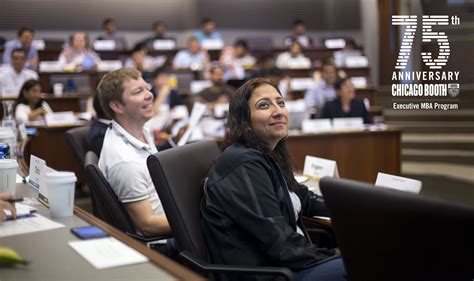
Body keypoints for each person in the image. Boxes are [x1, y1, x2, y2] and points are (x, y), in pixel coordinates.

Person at [201, 78, 345, 281]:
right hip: (272, 274)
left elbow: (303, 198)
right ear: (245, 120)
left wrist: (354, 207)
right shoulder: (244, 165)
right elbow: (280, 244)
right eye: (264, 105)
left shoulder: (266, 153)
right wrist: (336, 255)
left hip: (288, 265)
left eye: (281, 103)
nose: (278, 111)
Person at [97, 68, 171, 238]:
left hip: (171, 212)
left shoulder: (142, 130)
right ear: (116, 106)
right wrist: (198, 219)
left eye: (147, 88)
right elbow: (148, 225)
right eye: (138, 92)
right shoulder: (125, 161)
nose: (149, 95)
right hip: (166, 244)